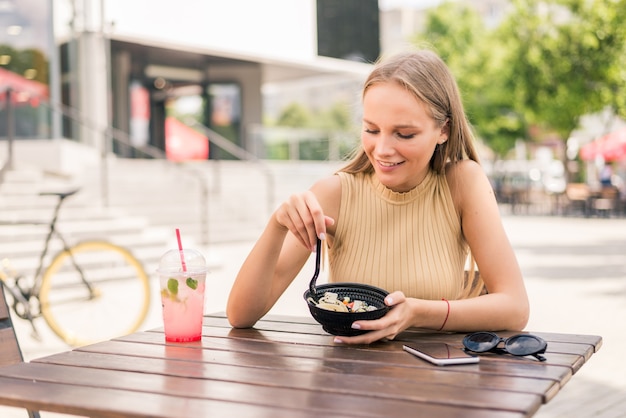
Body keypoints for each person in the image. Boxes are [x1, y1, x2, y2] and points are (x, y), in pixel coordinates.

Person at [226, 49, 529, 344]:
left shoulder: (462, 183)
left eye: (404, 134)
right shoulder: (334, 193)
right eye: (372, 129)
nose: (382, 149)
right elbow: (241, 315)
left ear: (443, 131)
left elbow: (514, 307)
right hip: (349, 381)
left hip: (437, 382)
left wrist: (419, 312)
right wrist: (277, 224)